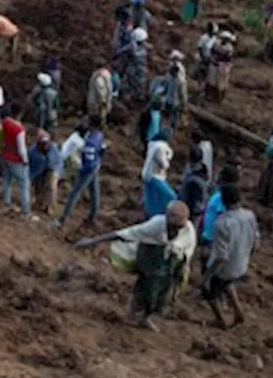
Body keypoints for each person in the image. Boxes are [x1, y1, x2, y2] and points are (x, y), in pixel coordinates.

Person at [74, 201, 196, 331]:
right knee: (148, 288)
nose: (174, 230)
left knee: (163, 294)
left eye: (178, 227)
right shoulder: (155, 225)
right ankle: (137, 313)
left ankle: (145, 314)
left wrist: (181, 268)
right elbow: (126, 233)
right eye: (172, 226)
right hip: (151, 255)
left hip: (170, 261)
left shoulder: (188, 231)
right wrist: (93, 241)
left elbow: (188, 250)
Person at [201, 184, 257, 329]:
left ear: (224, 202)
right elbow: (256, 242)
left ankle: (220, 319)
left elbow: (221, 255)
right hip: (242, 263)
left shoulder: (222, 223)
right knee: (227, 283)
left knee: (209, 290)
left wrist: (207, 276)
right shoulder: (250, 216)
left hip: (226, 266)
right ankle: (239, 312)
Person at [54, 117, 106, 228]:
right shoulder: (99, 135)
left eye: (87, 122)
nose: (85, 124)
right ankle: (92, 216)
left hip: (88, 169)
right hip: (95, 166)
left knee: (75, 193)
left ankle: (62, 219)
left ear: (92, 125)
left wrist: (84, 168)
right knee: (94, 192)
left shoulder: (90, 141)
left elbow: (88, 158)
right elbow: (102, 150)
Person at [29, 129, 63, 215]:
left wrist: (59, 175)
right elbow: (31, 165)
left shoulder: (54, 149)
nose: (44, 145)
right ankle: (39, 202)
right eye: (42, 143)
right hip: (38, 169)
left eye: (46, 143)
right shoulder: (32, 151)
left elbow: (58, 162)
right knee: (38, 185)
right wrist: (31, 178)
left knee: (51, 186)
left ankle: (49, 206)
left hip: (52, 167)